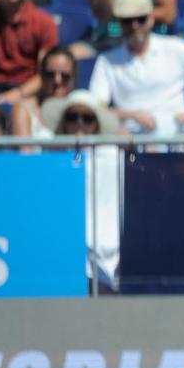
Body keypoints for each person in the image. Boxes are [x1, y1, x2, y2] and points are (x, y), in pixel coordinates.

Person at [90, 0, 184, 134]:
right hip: (131, 139)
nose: (134, 25)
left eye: (140, 19)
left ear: (151, 19)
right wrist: (132, 116)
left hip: (176, 136)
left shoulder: (175, 47)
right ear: (119, 23)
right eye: (127, 21)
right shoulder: (106, 60)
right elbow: (97, 108)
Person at [43, 89, 122, 292]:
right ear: (64, 122)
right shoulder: (48, 158)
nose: (79, 123)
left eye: (86, 118)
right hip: (62, 242)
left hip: (107, 239)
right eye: (72, 117)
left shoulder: (113, 155)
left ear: (95, 124)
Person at [10, 46, 77, 138]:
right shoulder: (24, 110)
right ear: (41, 76)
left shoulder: (83, 113)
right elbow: (24, 151)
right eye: (50, 74)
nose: (57, 81)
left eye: (65, 76)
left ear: (74, 79)